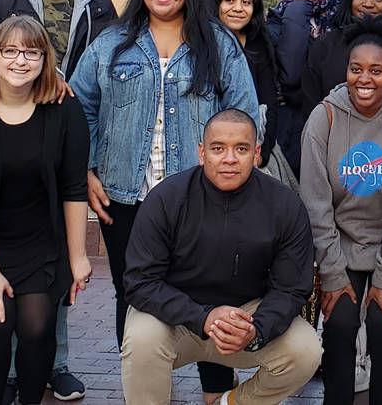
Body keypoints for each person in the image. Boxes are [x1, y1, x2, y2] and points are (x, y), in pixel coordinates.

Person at [77, 0, 260, 405]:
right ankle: (143, 388)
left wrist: (235, 171)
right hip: (125, 195)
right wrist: (88, 168)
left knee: (211, 292)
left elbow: (244, 112)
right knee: (132, 292)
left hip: (201, 197)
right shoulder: (110, 43)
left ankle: (216, 394)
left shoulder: (218, 46)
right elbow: (80, 108)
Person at [0, 0, 116, 400]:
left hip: (66, 131)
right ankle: (10, 373)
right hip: (11, 131)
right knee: (8, 262)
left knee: (56, 264)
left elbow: (109, 70)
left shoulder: (97, 5)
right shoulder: (5, 3)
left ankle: (58, 363)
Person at [119, 108, 321, 404]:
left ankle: (231, 402)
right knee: (141, 339)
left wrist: (258, 328)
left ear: (256, 153)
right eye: (218, 148)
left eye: (241, 148)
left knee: (306, 351)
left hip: (248, 317)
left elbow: (291, 288)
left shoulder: (285, 205)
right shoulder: (167, 198)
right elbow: (139, 280)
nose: (229, 159)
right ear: (201, 153)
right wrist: (202, 317)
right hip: (178, 319)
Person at [0, 15, 94, 405]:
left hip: (40, 239)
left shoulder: (64, 110)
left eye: (31, 52)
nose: (20, 60)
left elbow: (74, 188)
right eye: (10, 51)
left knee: (38, 324)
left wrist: (78, 257)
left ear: (46, 60)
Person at [300, 19, 382, 405]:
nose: (364, 79)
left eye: (376, 71)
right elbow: (316, 203)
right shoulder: (323, 118)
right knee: (340, 324)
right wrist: (331, 272)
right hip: (339, 244)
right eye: (356, 69)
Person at [265, 0, 342, 176]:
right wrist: (297, 13)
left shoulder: (339, 17)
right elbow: (287, 72)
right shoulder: (275, 19)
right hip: (288, 123)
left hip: (330, 117)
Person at [208, 0, 282, 175]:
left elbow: (269, 101)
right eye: (229, 0)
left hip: (252, 145)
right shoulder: (201, 44)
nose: (238, 8)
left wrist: (261, 153)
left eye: (246, 2)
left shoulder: (259, 43)